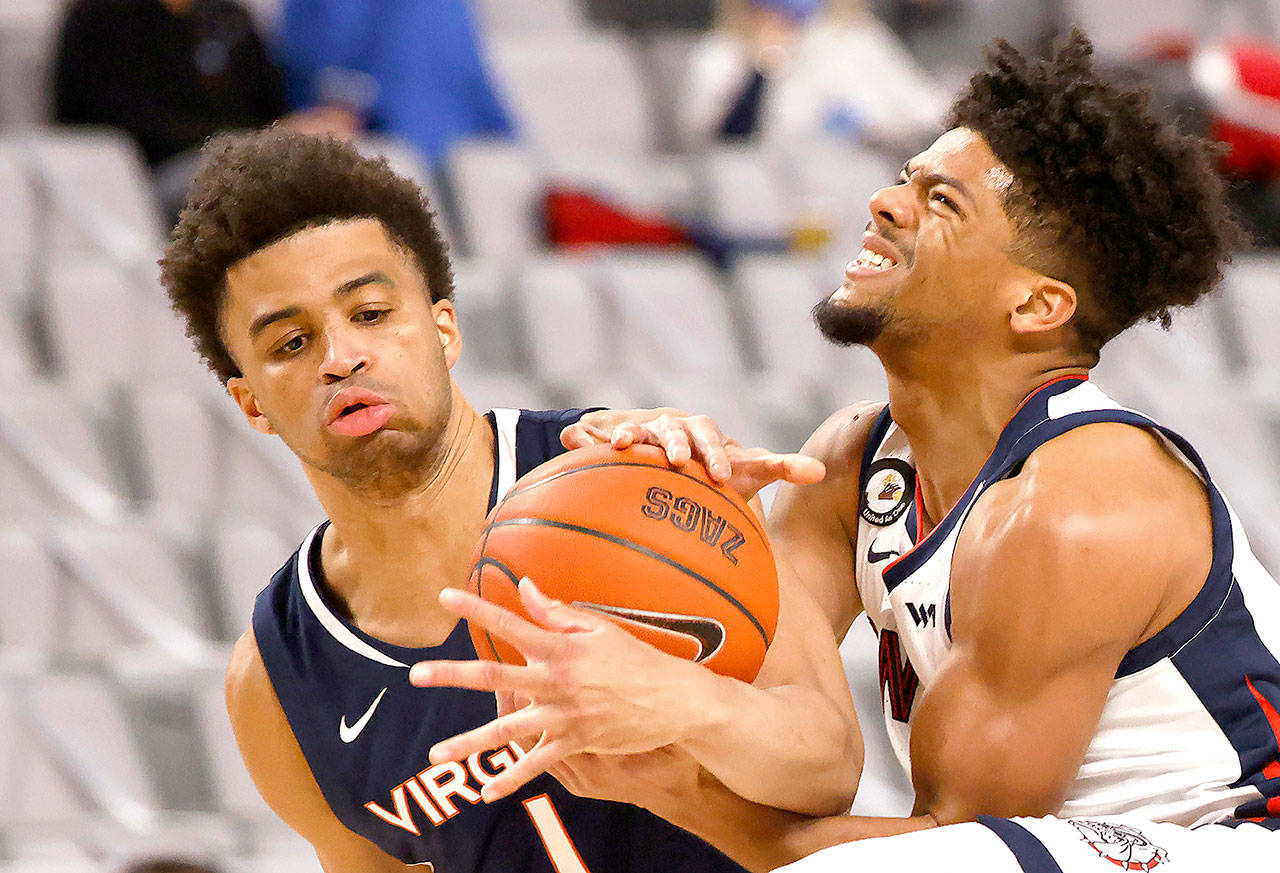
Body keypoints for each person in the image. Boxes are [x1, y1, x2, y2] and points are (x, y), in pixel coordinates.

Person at [412, 31, 1280, 871]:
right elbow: (807, 751)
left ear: (1036, 306)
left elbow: (949, 839)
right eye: (907, 178)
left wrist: (683, 782)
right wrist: (695, 508)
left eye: (941, 202)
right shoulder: (854, 466)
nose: (884, 202)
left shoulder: (1078, 502)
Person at [157, 127, 858, 872]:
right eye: (290, 343)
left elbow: (830, 765)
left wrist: (681, 703)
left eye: (368, 312)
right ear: (250, 402)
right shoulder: (276, 681)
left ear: (443, 326)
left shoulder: (640, 473)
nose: (340, 357)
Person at [53, 0, 360, 220]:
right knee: (254, 176)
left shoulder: (229, 17)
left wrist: (309, 125)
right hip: (146, 174)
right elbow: (130, 125)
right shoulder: (100, 17)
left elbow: (272, 106)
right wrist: (260, 136)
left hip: (247, 151)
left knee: (370, 157)